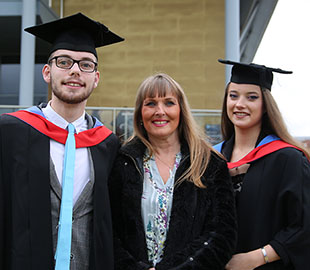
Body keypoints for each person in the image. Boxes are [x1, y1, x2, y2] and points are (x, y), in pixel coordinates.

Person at [0, 13, 124, 270]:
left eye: (86, 64)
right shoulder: (10, 132)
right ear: (47, 72)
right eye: (64, 61)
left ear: (96, 78)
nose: (75, 70)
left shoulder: (107, 145)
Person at [109, 73, 237, 270]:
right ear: (140, 113)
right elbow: (109, 231)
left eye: (169, 103)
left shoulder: (209, 164)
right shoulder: (123, 162)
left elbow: (222, 235)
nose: (160, 111)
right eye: (150, 103)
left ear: (181, 111)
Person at [214, 59, 310, 270]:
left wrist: (257, 258)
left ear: (265, 106)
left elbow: (304, 226)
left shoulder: (288, 159)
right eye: (233, 96)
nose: (240, 104)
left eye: (252, 97)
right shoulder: (213, 158)